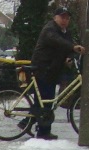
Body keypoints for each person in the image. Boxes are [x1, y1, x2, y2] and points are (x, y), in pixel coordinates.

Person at [30, 6, 85, 140]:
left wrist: (69, 56)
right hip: (43, 68)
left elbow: (67, 46)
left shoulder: (65, 32)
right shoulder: (50, 29)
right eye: (62, 17)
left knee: (45, 101)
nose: (65, 20)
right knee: (45, 101)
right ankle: (43, 132)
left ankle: (28, 123)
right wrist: (73, 47)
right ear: (55, 18)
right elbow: (57, 41)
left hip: (53, 69)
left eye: (67, 18)